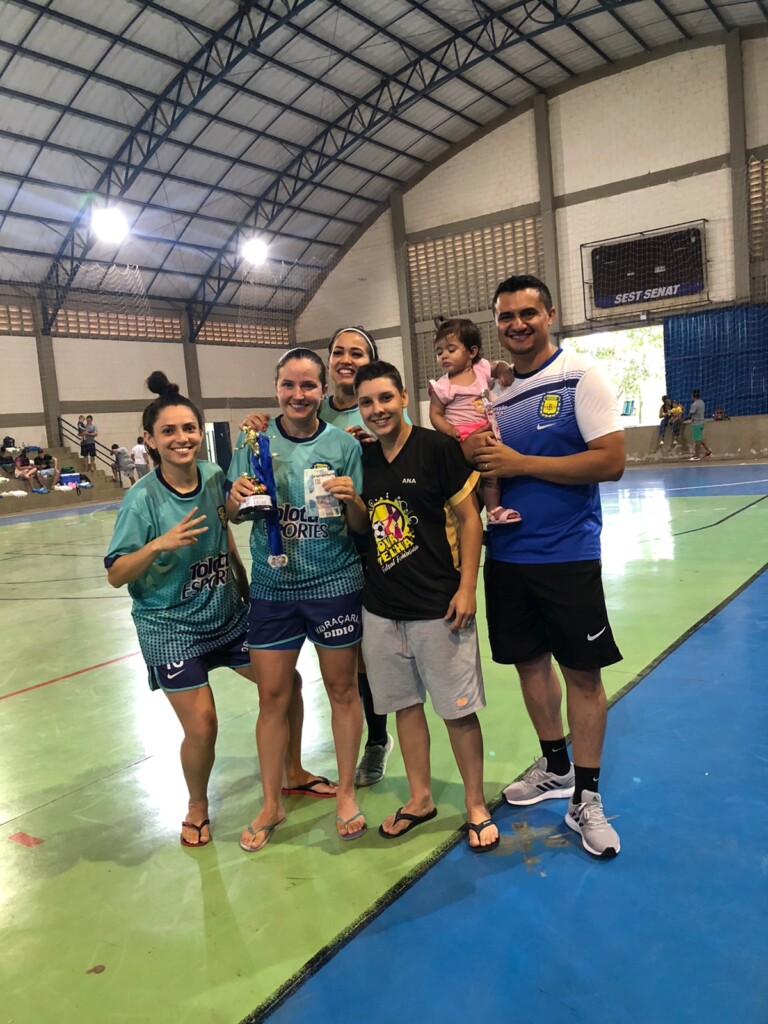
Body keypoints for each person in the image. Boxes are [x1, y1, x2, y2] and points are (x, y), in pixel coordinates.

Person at [465, 274, 624, 859]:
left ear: (550, 315)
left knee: (582, 673)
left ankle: (587, 794)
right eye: (506, 316)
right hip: (506, 558)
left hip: (567, 556)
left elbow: (610, 462)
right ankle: (555, 767)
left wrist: (520, 462)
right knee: (530, 666)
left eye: (527, 313)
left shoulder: (582, 375)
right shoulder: (497, 393)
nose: (516, 324)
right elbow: (481, 460)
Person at [324, 361, 499, 852]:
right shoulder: (362, 458)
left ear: (403, 396)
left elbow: (469, 521)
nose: (377, 409)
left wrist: (467, 588)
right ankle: (420, 799)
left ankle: (475, 805)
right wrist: (350, 501)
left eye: (385, 398)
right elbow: (365, 529)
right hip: (381, 610)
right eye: (366, 402)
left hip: (438, 607)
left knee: (458, 713)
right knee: (404, 707)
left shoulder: (437, 449)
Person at [104, 371, 254, 848]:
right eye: (168, 431)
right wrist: (158, 544)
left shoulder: (212, 477)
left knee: (284, 683)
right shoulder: (141, 499)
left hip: (225, 614)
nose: (181, 438)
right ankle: (197, 805)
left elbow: (225, 528)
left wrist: (243, 583)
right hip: (170, 627)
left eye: (189, 428)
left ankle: (291, 770)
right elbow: (116, 572)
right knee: (204, 723)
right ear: (149, 440)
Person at [227, 347, 365, 851]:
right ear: (277, 388)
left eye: (309, 386)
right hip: (273, 588)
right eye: (289, 385)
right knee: (272, 698)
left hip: (333, 585)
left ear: (323, 391)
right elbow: (234, 513)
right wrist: (235, 497)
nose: (299, 395)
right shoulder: (253, 443)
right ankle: (272, 802)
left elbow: (359, 526)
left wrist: (354, 501)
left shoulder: (343, 445)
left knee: (342, 691)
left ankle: (346, 794)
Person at [429, 317, 520, 525]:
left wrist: (505, 369)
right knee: (465, 482)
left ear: (472, 352)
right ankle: (463, 518)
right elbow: (435, 414)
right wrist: (449, 429)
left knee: (492, 472)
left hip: (485, 431)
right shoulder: (442, 385)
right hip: (460, 438)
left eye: (450, 349)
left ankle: (493, 510)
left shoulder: (481, 370)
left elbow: (497, 366)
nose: (443, 356)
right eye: (439, 351)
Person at [687, 389, 711, 461]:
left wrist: (683, 419)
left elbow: (690, 415)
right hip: (702, 422)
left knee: (697, 440)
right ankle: (708, 450)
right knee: (699, 438)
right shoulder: (702, 402)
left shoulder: (694, 404)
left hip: (696, 423)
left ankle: (697, 456)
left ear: (693, 395)